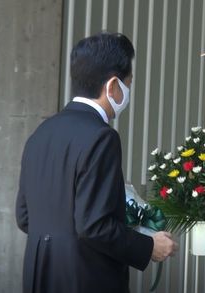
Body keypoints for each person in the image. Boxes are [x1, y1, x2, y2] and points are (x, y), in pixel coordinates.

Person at [15, 32, 178, 293]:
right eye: (129, 83)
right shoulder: (101, 137)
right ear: (113, 86)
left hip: (39, 277)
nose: (128, 90)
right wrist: (149, 246)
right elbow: (94, 226)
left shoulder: (41, 133)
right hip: (85, 278)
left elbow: (25, 217)